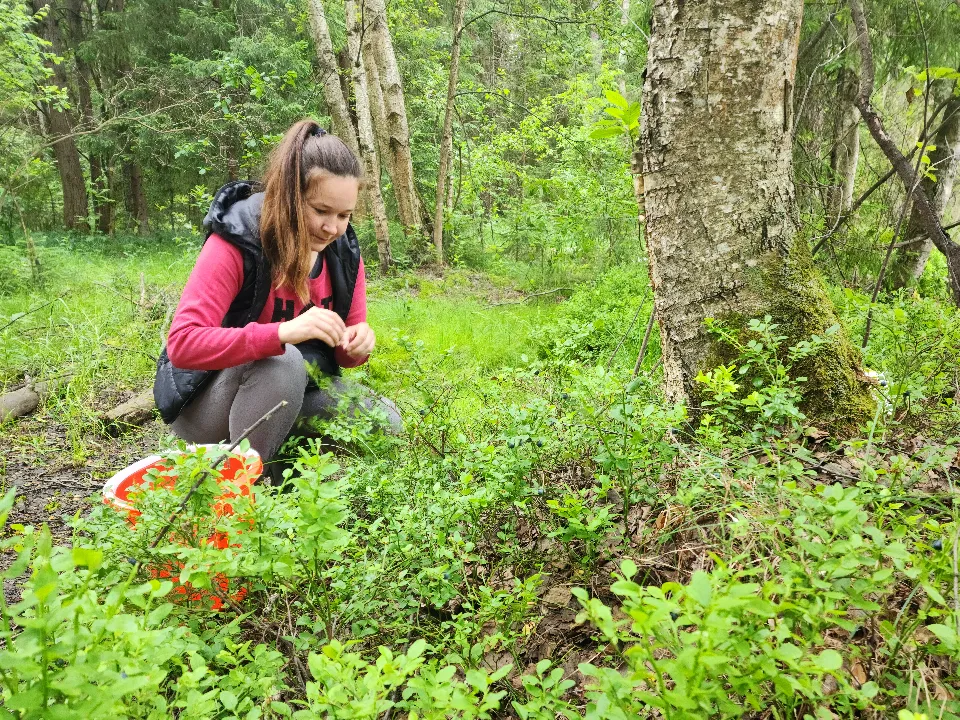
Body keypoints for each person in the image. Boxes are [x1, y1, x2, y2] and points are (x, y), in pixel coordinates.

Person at [153, 119, 401, 473]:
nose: (332, 228)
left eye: (344, 215)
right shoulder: (237, 239)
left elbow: (345, 354)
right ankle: (245, 491)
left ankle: (277, 465)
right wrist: (282, 334)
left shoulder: (343, 254)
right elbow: (184, 344)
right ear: (288, 196)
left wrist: (357, 345)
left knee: (385, 422)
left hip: (290, 394)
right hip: (211, 401)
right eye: (320, 211)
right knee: (283, 361)